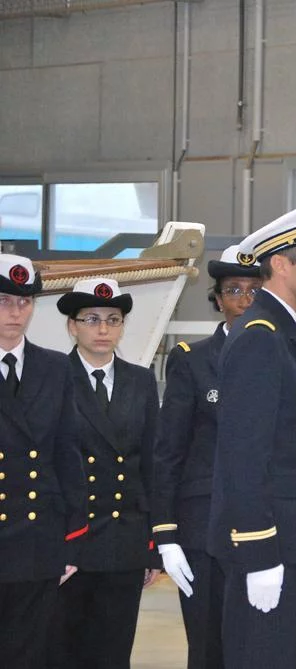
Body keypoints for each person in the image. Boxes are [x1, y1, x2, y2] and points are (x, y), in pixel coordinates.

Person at [207, 198, 296, 669]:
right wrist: (259, 551)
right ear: (282, 265)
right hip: (267, 546)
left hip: (290, 541)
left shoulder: (284, 331)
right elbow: (243, 457)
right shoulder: (260, 338)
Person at [151, 245, 262, 669]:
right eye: (234, 290)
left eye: (254, 290)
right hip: (203, 526)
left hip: (262, 524)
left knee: (257, 646)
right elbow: (169, 450)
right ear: (217, 299)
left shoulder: (283, 355)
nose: (244, 300)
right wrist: (165, 533)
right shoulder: (191, 361)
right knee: (208, 645)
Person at [47, 278, 160, 669]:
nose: (103, 329)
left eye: (113, 320)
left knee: (113, 653)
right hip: (70, 542)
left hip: (123, 541)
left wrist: (152, 544)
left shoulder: (141, 381)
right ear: (72, 325)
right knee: (61, 651)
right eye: (91, 319)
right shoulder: (51, 376)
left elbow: (150, 464)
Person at [0, 254, 88, 669]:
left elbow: (68, 455)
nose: (15, 313)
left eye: (24, 302)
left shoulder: (55, 368)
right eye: (3, 301)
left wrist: (73, 537)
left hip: (37, 539)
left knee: (29, 652)